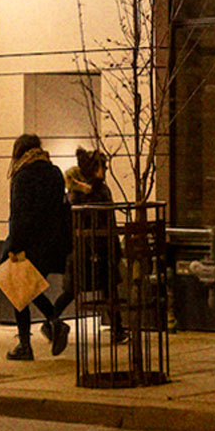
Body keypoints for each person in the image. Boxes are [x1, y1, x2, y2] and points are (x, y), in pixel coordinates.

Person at [3, 132, 74, 361]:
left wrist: (15, 245)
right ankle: (53, 322)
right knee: (29, 289)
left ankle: (26, 344)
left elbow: (19, 215)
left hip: (30, 242)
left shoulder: (23, 175)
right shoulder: (54, 172)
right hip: (53, 243)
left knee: (19, 291)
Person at [66, 147, 121, 343]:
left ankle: (118, 328)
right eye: (102, 166)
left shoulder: (84, 191)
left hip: (94, 248)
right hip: (95, 249)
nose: (105, 170)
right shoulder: (94, 191)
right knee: (101, 288)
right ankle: (53, 319)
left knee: (104, 289)